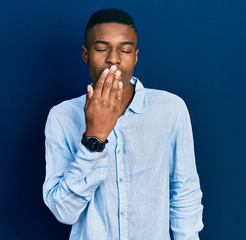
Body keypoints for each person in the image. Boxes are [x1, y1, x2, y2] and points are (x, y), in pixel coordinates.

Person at [43, 8, 203, 240]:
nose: (114, 58)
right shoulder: (61, 116)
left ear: (135, 56)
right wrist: (94, 139)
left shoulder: (171, 109)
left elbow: (185, 193)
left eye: (125, 50)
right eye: (101, 48)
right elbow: (63, 211)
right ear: (85, 54)